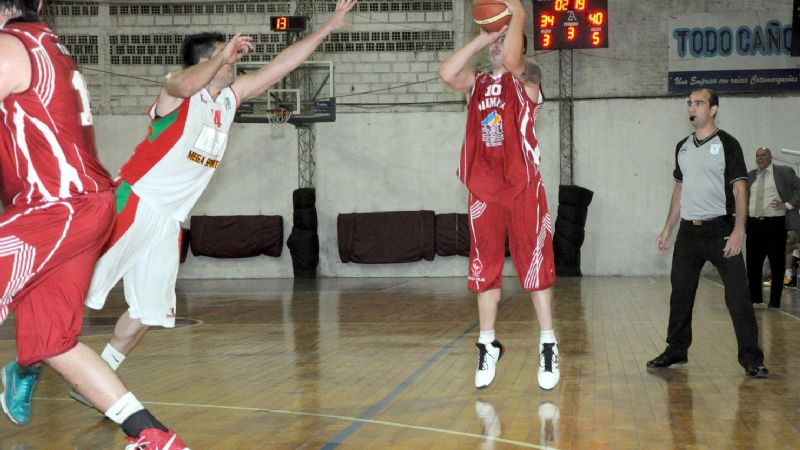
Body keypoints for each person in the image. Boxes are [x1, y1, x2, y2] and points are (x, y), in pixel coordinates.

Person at [50, 0, 356, 409]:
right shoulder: (176, 91)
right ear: (207, 61)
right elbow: (186, 83)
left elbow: (281, 66)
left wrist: (329, 26)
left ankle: (96, 379)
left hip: (169, 222)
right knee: (69, 291)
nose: (235, 63)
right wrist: (220, 59)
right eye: (226, 57)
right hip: (134, 202)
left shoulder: (228, 101)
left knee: (150, 314)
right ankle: (30, 362)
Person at [0, 1, 189, 448]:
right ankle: (154, 438)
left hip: (56, 208)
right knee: (53, 342)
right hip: (81, 208)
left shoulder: (10, 46)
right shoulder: (50, 46)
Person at [439, 0, 559, 390]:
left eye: (505, 40)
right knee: (484, 268)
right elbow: (446, 72)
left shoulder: (527, 77)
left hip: (523, 185)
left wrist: (518, 14)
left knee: (534, 266)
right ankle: (487, 344)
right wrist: (481, 38)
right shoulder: (476, 84)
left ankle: (547, 344)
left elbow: (510, 59)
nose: (498, 46)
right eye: (497, 40)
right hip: (484, 188)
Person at [649, 87, 768, 378]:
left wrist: (739, 230)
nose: (692, 108)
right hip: (689, 233)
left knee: (738, 295)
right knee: (681, 293)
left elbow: (741, 189)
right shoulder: (683, 146)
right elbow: (679, 190)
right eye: (690, 103)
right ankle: (676, 350)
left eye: (699, 103)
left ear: (713, 109)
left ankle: (751, 358)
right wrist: (667, 228)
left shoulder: (728, 144)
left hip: (721, 230)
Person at [745, 146, 800, 308]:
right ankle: (755, 300)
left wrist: (788, 205)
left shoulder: (783, 172)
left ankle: (774, 302)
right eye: (757, 155)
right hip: (754, 224)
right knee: (753, 264)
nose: (760, 158)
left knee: (777, 264)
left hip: (774, 224)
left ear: (770, 157)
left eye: (763, 155)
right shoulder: (750, 176)